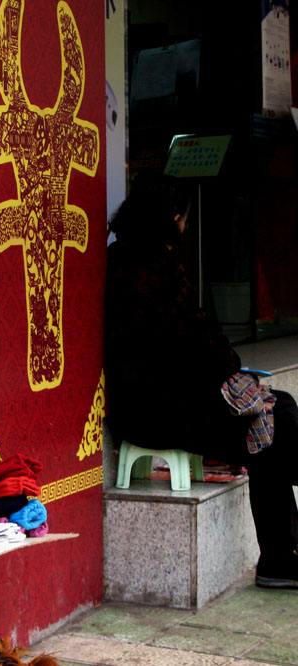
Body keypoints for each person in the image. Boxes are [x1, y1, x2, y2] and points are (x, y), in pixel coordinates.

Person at [105, 171, 298, 589]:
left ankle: (282, 556)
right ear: (173, 217)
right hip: (156, 411)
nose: (186, 224)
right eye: (184, 217)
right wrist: (233, 370)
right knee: (272, 419)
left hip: (147, 403)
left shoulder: (122, 260)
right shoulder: (157, 270)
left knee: (276, 412)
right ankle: (279, 558)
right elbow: (202, 344)